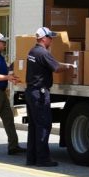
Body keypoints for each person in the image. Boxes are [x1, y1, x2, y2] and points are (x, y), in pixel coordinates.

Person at [25, 27, 73, 167]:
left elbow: (51, 64)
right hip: (39, 93)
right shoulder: (43, 53)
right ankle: (43, 159)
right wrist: (69, 67)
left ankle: (31, 158)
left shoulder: (32, 51)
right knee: (44, 126)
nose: (51, 40)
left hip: (31, 91)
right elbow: (57, 68)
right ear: (43, 38)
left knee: (34, 126)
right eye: (50, 38)